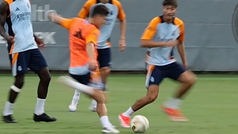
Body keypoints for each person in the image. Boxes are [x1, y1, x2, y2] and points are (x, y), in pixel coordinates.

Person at [118, 0, 196, 128]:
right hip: (154, 65)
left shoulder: (179, 24)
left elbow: (180, 43)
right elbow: (143, 42)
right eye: (167, 8)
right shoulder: (156, 22)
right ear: (163, 9)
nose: (169, 11)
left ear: (176, 10)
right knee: (151, 97)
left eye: (172, 9)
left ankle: (171, 106)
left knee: (190, 80)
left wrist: (184, 61)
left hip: (169, 62)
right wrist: (165, 44)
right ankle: (125, 115)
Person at [48, 4, 119, 133]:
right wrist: (92, 59)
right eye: (104, 19)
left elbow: (60, 20)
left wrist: (51, 16)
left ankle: (107, 126)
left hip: (74, 69)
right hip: (86, 67)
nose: (104, 23)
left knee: (100, 99)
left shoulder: (75, 22)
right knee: (102, 98)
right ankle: (75, 85)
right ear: (97, 16)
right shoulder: (93, 30)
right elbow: (90, 44)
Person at [0, 0, 56, 123]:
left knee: (46, 76)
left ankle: (39, 113)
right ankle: (7, 113)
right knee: (19, 81)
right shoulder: (6, 4)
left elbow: (25, 23)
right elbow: (0, 25)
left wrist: (35, 38)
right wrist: (6, 37)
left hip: (31, 45)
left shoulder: (26, 1)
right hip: (17, 47)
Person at [69, 0, 127, 112]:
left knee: (105, 70)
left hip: (104, 44)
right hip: (89, 43)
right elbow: (79, 20)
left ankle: (96, 100)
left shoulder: (116, 5)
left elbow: (122, 19)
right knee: (85, 72)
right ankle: (75, 99)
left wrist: (122, 38)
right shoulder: (91, 3)